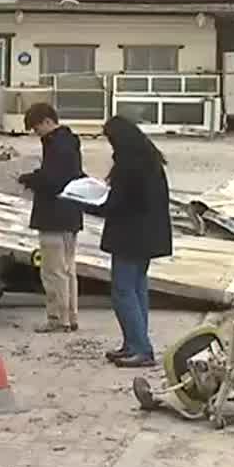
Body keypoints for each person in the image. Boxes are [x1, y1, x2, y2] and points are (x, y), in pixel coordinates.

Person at [96, 115, 173, 367]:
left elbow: (119, 202)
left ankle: (141, 348)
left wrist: (90, 204)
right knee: (138, 288)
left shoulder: (130, 164)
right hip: (148, 235)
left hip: (130, 236)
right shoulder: (149, 159)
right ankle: (133, 343)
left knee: (123, 291)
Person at [16, 102, 84, 333]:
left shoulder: (56, 145)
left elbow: (53, 181)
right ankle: (70, 317)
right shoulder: (69, 142)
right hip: (70, 216)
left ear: (47, 121)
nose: (36, 134)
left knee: (53, 271)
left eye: (36, 128)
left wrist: (30, 179)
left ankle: (57, 319)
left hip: (54, 216)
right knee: (68, 270)